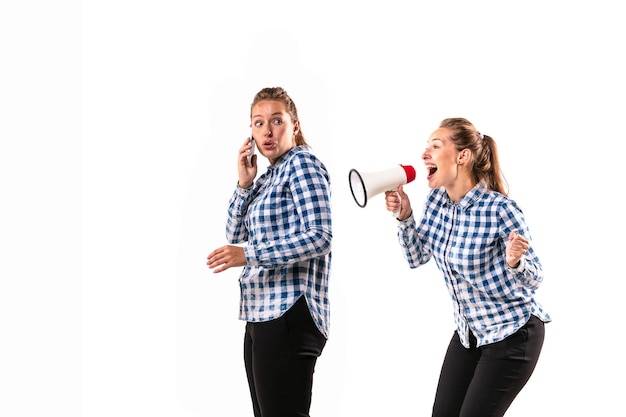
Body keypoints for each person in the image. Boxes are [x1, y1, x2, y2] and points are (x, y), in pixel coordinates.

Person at [384, 118, 551, 417]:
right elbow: (417, 257)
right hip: (469, 332)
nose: (425, 154)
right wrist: (405, 216)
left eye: (435, 146)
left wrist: (516, 262)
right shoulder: (437, 200)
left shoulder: (499, 209)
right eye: (426, 147)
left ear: (463, 156)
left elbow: (536, 277)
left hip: (513, 333)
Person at [207, 87, 332, 417]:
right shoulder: (267, 179)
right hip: (262, 313)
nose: (267, 130)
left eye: (277, 121)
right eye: (258, 123)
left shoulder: (302, 164)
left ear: (295, 125)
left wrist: (250, 255)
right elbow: (235, 237)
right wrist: (244, 184)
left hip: (289, 311)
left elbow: (320, 237)